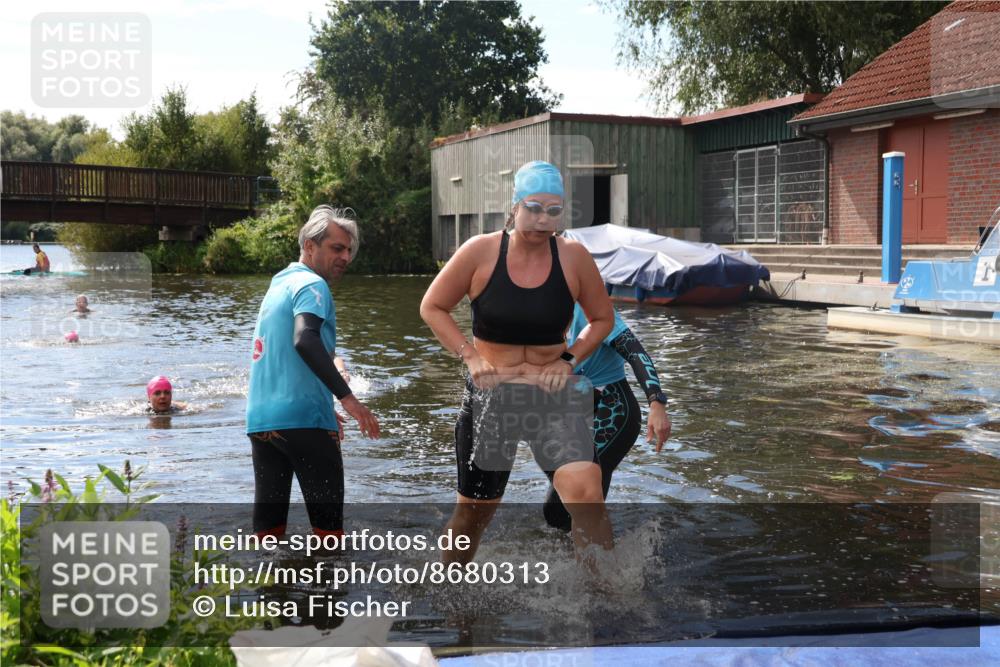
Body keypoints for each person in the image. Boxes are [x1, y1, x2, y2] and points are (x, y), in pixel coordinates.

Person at [420, 161, 616, 564]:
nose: (543, 220)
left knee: (586, 491)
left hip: (553, 394)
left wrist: (568, 359)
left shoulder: (574, 257)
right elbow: (433, 306)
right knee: (473, 517)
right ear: (514, 207)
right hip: (493, 398)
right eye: (534, 208)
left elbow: (602, 319)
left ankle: (605, 602)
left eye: (554, 211)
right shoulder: (481, 251)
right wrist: (470, 356)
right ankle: (452, 595)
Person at [246, 205, 380, 539]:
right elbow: (305, 340)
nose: (346, 257)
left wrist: (323, 404)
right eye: (337, 248)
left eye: (349, 250)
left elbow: (280, 356)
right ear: (310, 246)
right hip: (305, 421)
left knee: (268, 535)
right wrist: (349, 400)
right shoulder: (313, 286)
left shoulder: (279, 285)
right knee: (329, 536)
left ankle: (269, 590)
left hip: (263, 422)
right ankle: (330, 592)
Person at [542, 304, 672, 531]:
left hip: (613, 412)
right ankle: (577, 558)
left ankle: (611, 562)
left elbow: (637, 354)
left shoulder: (593, 309)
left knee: (572, 504)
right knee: (558, 512)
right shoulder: (537, 310)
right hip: (575, 412)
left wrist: (656, 403)